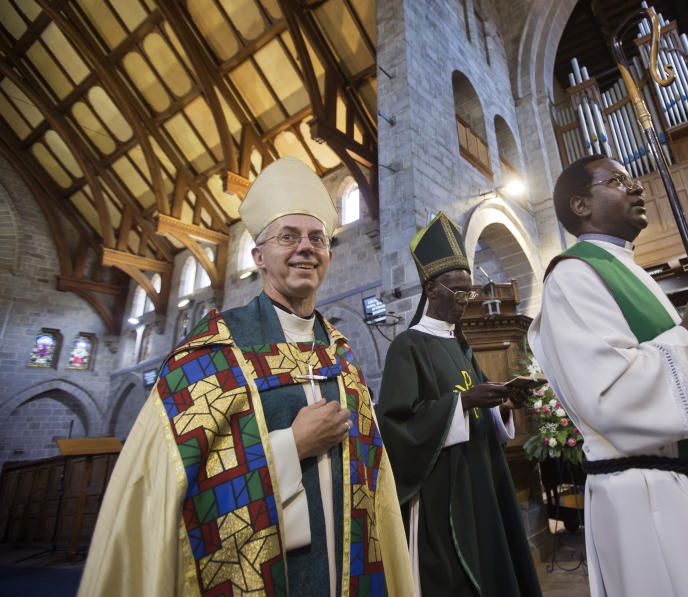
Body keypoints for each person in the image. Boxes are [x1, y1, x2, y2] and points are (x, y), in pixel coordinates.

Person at [79, 157, 413, 596]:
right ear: (258, 256)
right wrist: (290, 447)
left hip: (352, 570)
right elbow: (172, 490)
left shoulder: (342, 356)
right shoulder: (214, 351)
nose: (305, 248)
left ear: (330, 254)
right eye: (288, 237)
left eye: (317, 238)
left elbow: (376, 482)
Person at [528, 155, 688, 597]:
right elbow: (608, 395)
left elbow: (662, 364)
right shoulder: (573, 276)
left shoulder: (628, 270)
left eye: (633, 181)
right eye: (617, 181)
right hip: (656, 495)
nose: (638, 188)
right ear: (581, 205)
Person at [376, 212, 542, 597]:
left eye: (470, 292)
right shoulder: (408, 346)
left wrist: (503, 402)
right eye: (458, 292)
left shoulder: (461, 344)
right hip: (445, 489)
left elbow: (479, 401)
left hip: (482, 473)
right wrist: (463, 402)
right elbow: (397, 426)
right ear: (431, 289)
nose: (466, 302)